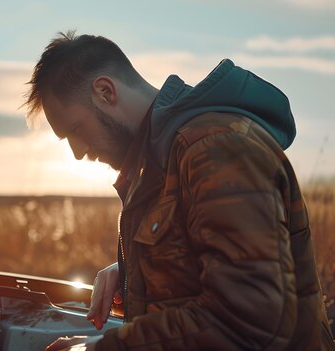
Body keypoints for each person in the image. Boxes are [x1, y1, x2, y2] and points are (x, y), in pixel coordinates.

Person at [23, 31, 335, 351]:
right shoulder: (161, 163)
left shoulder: (214, 147)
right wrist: (138, 269)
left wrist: (98, 348)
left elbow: (247, 323)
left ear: (105, 91)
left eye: (75, 130)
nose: (77, 153)